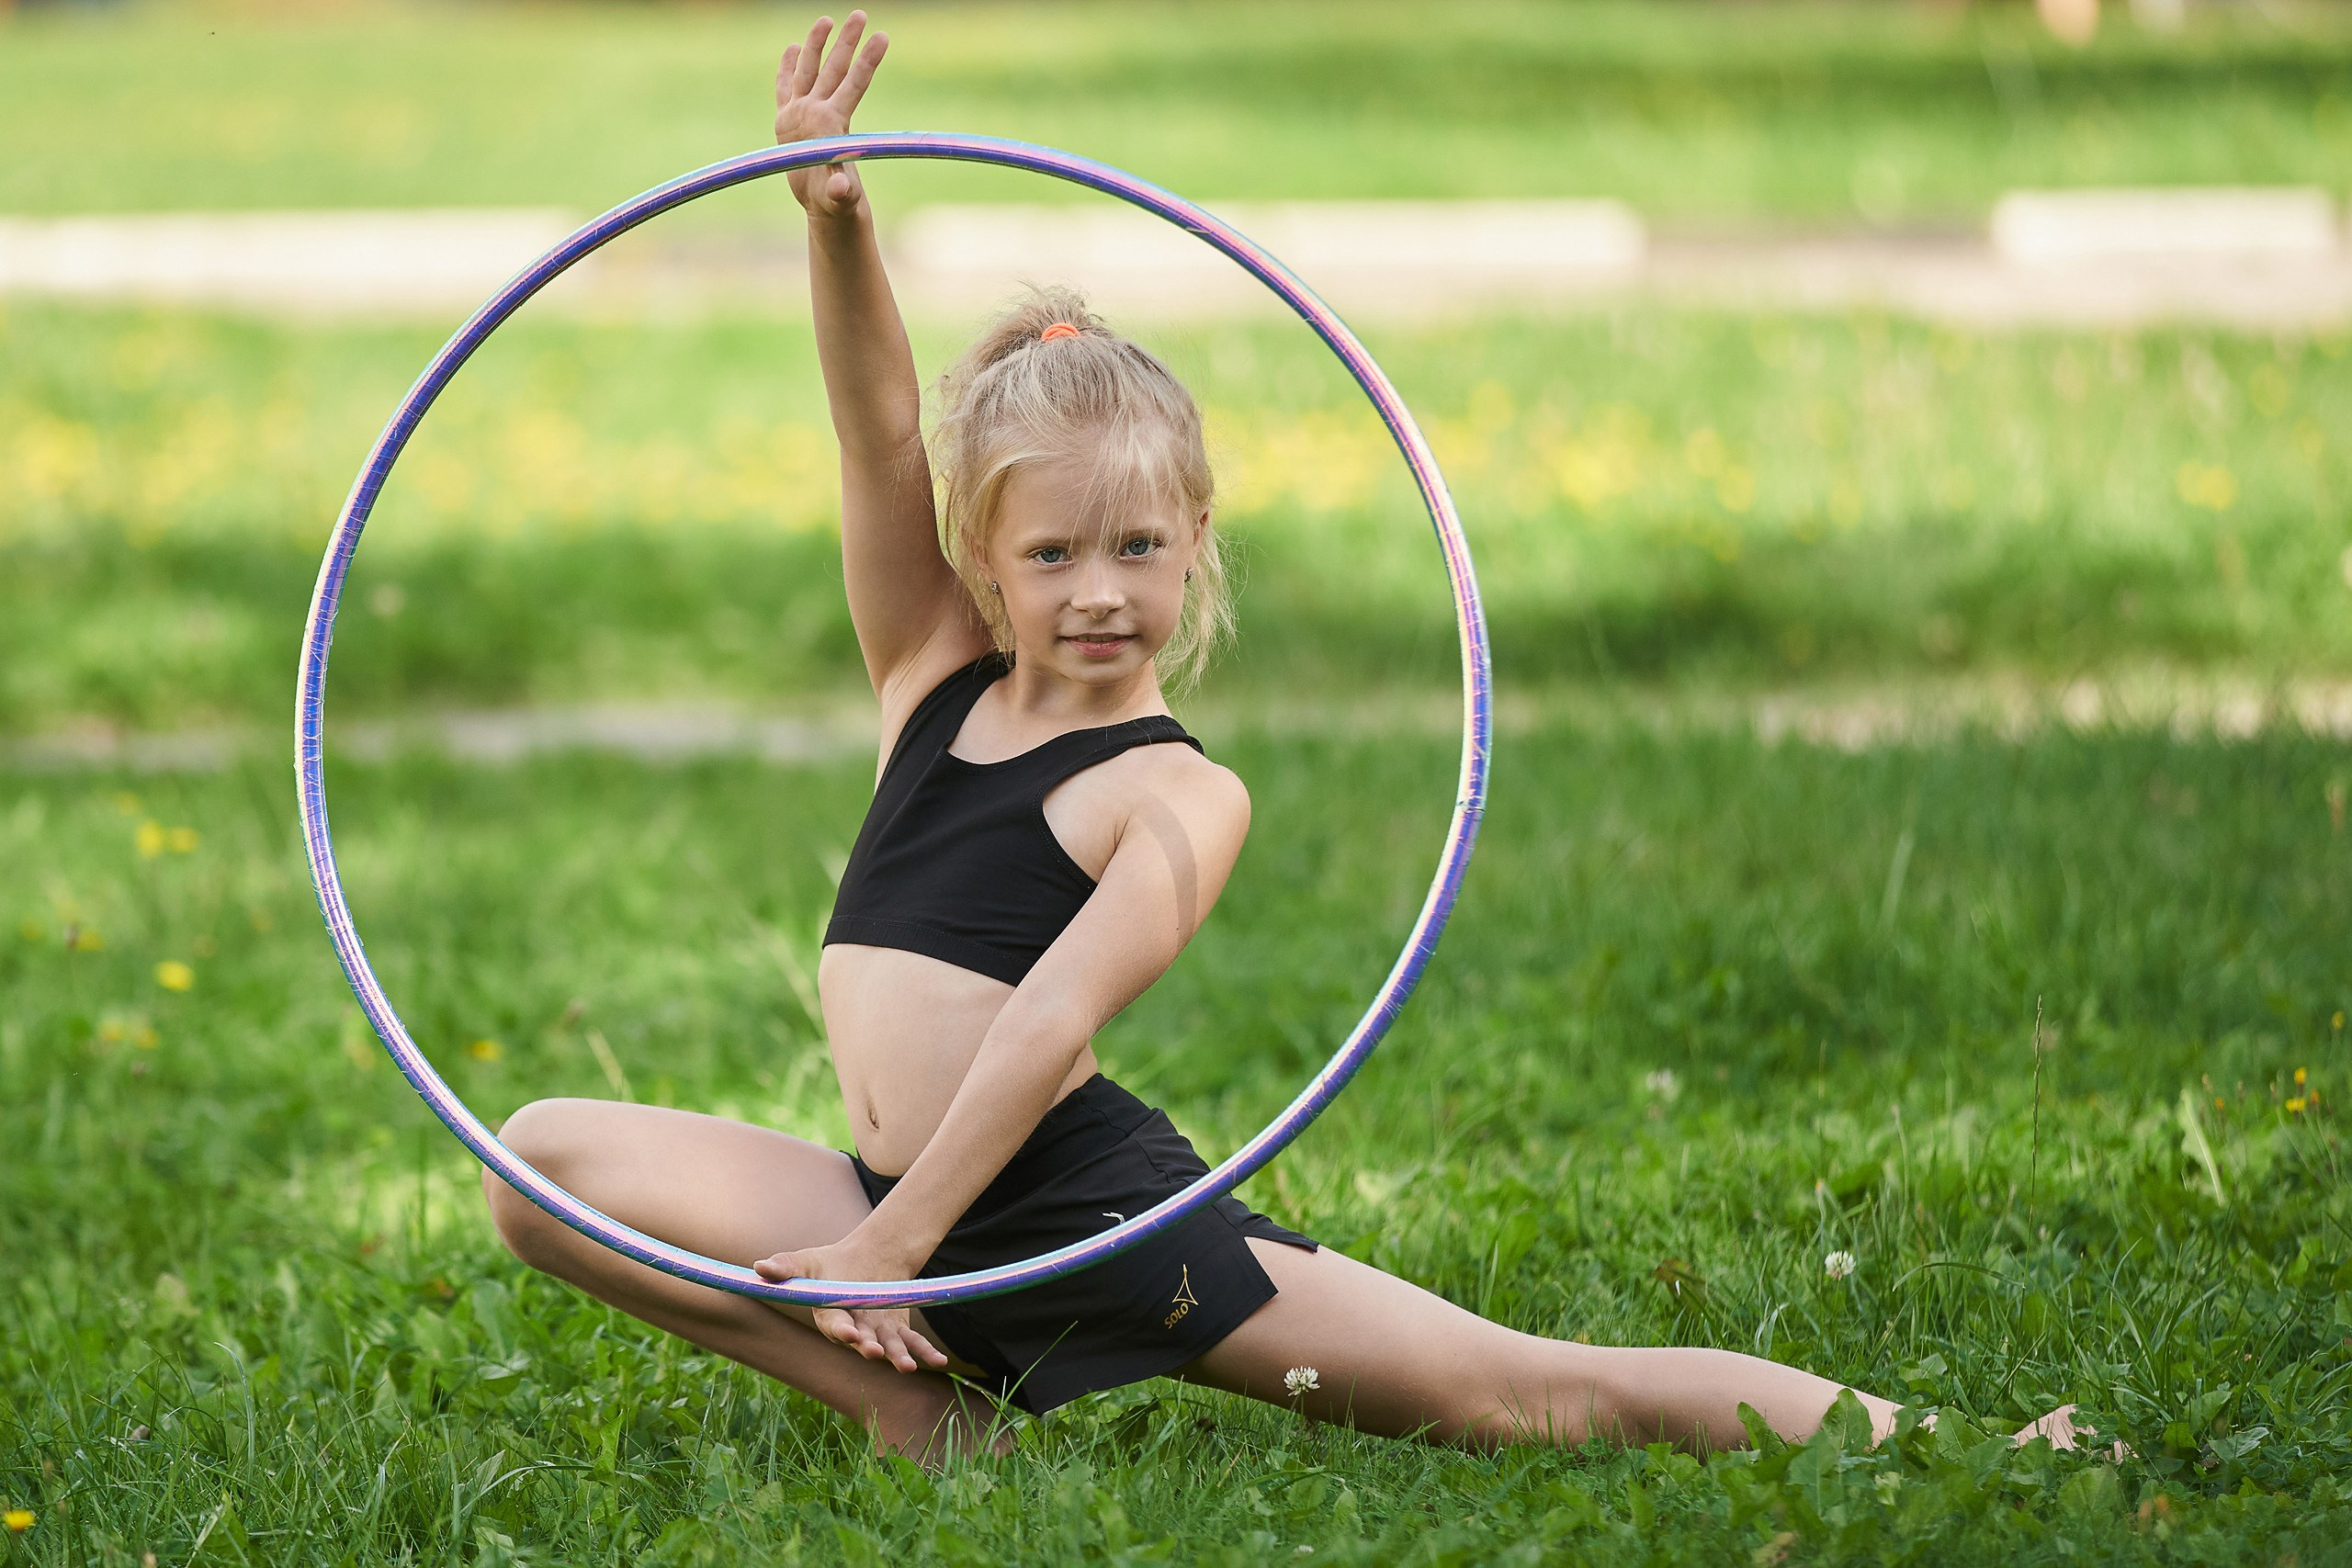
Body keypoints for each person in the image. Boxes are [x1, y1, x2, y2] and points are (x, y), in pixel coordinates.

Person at [481, 10, 2098, 1466]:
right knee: (538, 1165)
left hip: (1084, 1214)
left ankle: (1974, 1441)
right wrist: (838, 225)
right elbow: (879, 429)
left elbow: (1045, 1020)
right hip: (888, 1212)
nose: (1099, 593)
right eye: (1051, 557)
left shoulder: (1176, 793)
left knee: (1525, 1393)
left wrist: (904, 1240)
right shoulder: (929, 674)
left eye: (1138, 550)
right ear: (981, 557)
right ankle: (921, 1411)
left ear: (1195, 541)